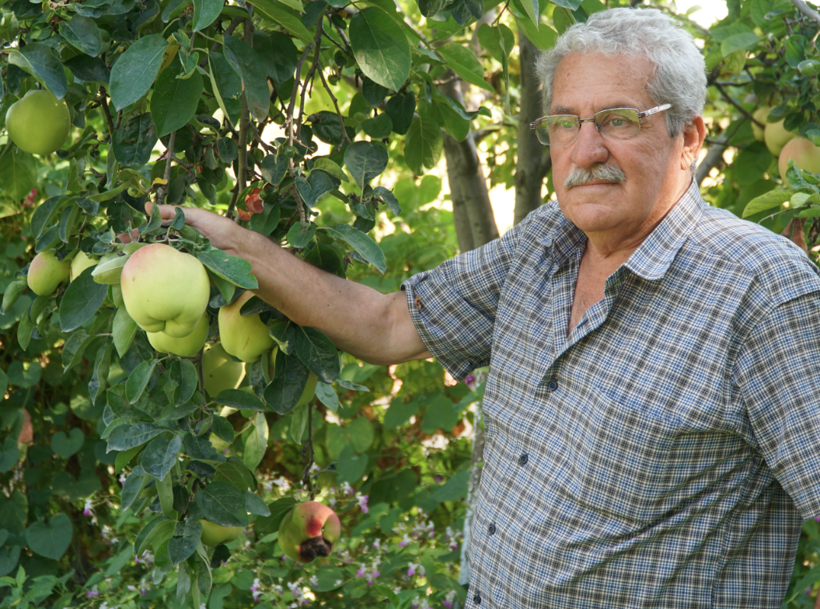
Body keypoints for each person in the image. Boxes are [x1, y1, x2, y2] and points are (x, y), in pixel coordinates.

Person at [155, 7, 820, 608]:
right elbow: (388, 324)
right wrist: (229, 242)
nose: (585, 151)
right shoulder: (546, 243)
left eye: (618, 120)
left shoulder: (761, 292)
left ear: (688, 137)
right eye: (565, 122)